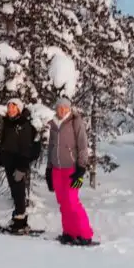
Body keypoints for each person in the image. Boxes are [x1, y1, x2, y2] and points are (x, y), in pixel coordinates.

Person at [46, 97, 95, 246]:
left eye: (65, 107)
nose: (62, 110)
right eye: (60, 107)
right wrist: (49, 169)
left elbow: (82, 145)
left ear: (69, 108)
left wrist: (81, 168)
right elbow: (51, 147)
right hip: (56, 169)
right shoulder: (53, 124)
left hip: (71, 169)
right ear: (56, 109)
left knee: (72, 202)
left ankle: (85, 234)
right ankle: (69, 232)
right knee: (63, 203)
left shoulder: (75, 121)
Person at [0, 98, 41, 234]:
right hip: (8, 162)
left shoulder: (24, 125)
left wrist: (22, 168)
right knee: (15, 192)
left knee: (19, 192)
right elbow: (3, 146)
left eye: (14, 107)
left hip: (19, 163)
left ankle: (20, 222)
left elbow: (26, 149)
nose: (10, 110)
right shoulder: (8, 123)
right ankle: (18, 219)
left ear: (19, 109)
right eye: (9, 107)